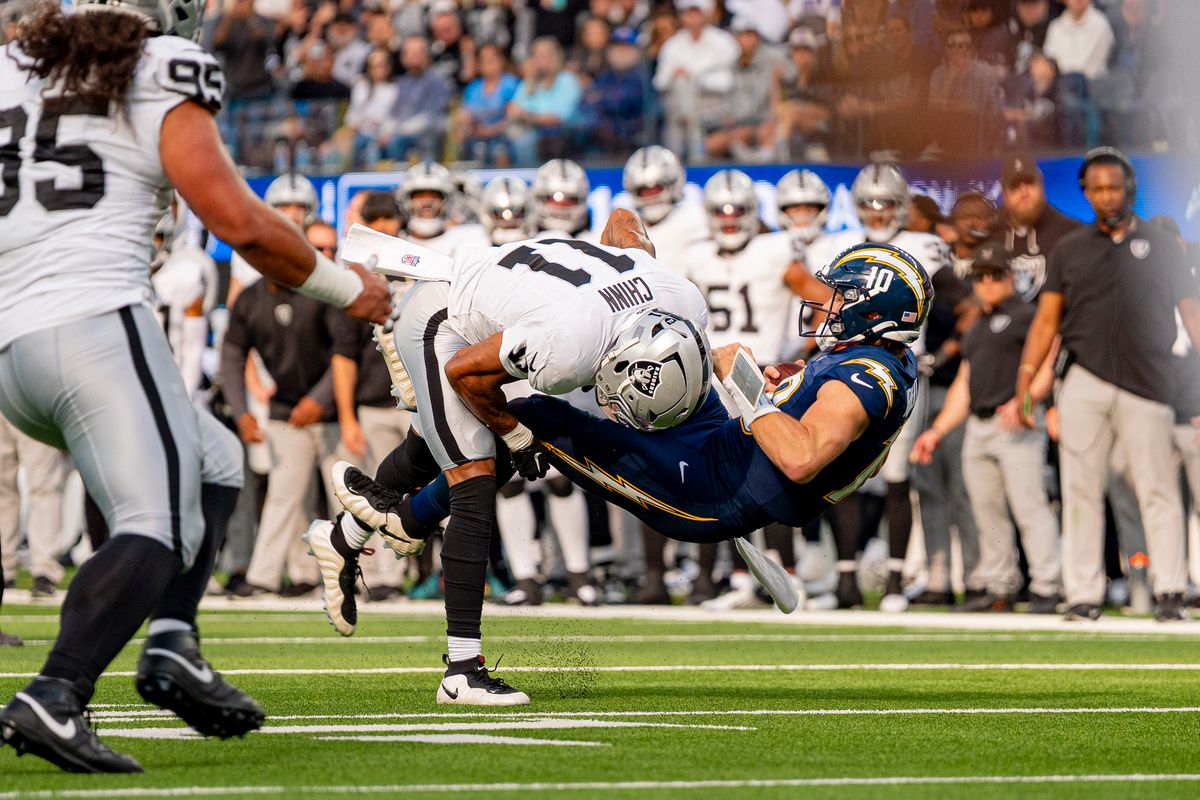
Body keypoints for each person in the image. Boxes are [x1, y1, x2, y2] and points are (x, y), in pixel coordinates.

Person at [0, 0, 390, 773]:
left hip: (15, 346)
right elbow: (237, 221)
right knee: (158, 525)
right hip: (96, 325)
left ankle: (173, 644)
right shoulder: (158, 67)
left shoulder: (14, 64)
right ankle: (57, 691)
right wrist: (351, 289)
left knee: (211, 461)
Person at [343, 239, 928, 627]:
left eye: (841, 298)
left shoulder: (867, 380)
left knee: (543, 417)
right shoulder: (869, 360)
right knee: (680, 355)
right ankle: (378, 512)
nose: (825, 305)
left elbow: (801, 458)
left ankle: (409, 518)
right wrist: (767, 382)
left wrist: (747, 389)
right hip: (723, 445)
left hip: (706, 490)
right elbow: (797, 417)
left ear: (874, 311)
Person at [306, 210, 711, 706]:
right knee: (474, 477)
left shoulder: (680, 299)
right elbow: (465, 373)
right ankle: (460, 673)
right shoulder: (569, 351)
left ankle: (343, 540)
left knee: (426, 451)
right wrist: (515, 434)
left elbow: (623, 220)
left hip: (505, 299)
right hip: (442, 317)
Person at [1015, 147, 1200, 622]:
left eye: (1114, 187)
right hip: (1083, 379)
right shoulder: (1070, 249)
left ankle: (1171, 591)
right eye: (1096, 189)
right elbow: (1046, 321)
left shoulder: (1161, 245)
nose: (1106, 196)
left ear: (1130, 188)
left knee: (1157, 489)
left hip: (1148, 382)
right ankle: (1083, 594)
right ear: (1085, 193)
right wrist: (1026, 380)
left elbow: (1191, 312)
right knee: (1080, 489)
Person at [803, 163, 949, 612]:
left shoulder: (923, 246)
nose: (877, 211)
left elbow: (954, 306)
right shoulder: (839, 247)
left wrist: (938, 356)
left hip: (898, 364)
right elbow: (822, 306)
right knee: (842, 470)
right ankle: (846, 578)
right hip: (846, 364)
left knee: (897, 477)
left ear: (902, 204)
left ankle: (896, 580)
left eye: (886, 202)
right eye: (868, 203)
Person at [684, 169, 827, 609]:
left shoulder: (775, 250)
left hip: (761, 370)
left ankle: (788, 573)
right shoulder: (696, 256)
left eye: (738, 212)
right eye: (721, 213)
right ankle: (742, 579)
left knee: (773, 470)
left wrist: (797, 351)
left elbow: (822, 301)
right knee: (722, 476)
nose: (729, 221)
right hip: (713, 374)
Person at [911, 242, 1061, 613]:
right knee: (986, 512)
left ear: (1011, 278)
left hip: (1017, 421)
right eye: (981, 277)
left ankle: (1048, 585)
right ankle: (998, 586)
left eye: (996, 275)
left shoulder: (1027, 315)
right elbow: (964, 383)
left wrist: (1027, 399)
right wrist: (938, 430)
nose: (988, 283)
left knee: (1029, 508)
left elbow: (1050, 357)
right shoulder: (975, 326)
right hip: (978, 425)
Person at [998, 154, 1082, 302]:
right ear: (1004, 193)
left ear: (1041, 184)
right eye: (1015, 185)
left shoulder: (1072, 233)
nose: (1024, 191)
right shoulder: (992, 233)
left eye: (1029, 183)